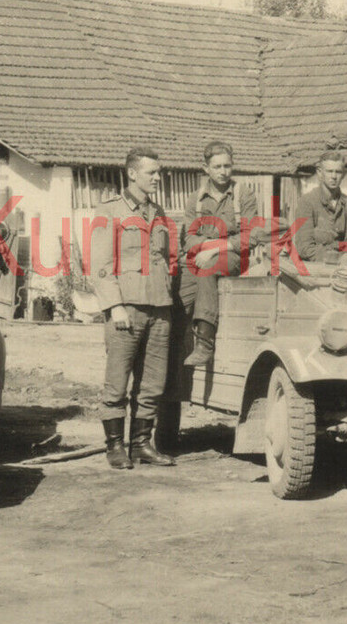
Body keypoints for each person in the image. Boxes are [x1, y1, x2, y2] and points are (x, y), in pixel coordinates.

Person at [90, 147, 177, 469]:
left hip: (159, 309)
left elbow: (167, 259)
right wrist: (115, 306)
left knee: (152, 383)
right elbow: (99, 264)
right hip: (126, 309)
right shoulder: (110, 211)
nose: (157, 177)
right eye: (151, 172)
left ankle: (141, 444)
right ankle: (115, 447)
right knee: (117, 381)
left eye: (159, 172)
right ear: (132, 174)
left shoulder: (159, 212)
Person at [179, 141, 260, 367]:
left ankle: (205, 341)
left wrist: (214, 249)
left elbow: (250, 237)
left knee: (208, 268)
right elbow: (188, 238)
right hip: (202, 255)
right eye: (217, 167)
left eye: (227, 166)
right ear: (206, 169)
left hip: (234, 256)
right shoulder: (195, 198)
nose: (223, 172)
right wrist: (207, 247)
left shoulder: (244, 195)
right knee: (178, 295)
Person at [292, 150, 347, 264]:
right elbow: (305, 248)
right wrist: (337, 258)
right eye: (329, 171)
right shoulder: (307, 202)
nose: (334, 176)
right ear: (320, 173)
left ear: (344, 174)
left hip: (344, 262)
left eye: (338, 172)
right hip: (315, 264)